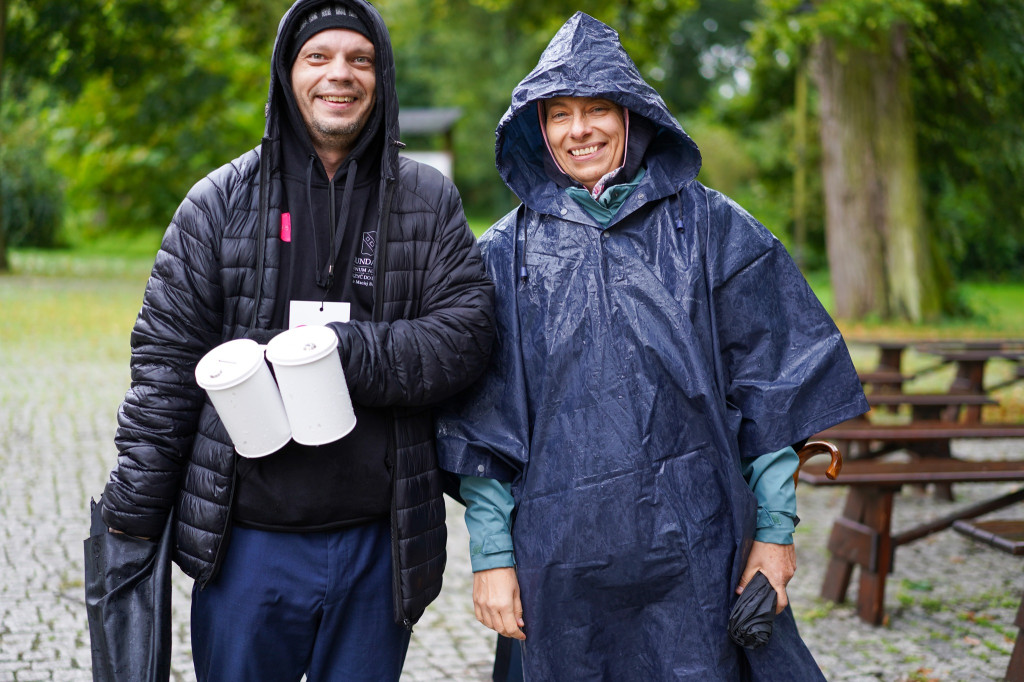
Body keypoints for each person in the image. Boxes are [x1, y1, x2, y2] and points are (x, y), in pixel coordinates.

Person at [436, 12, 869, 681]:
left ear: (634, 118)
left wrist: (775, 536)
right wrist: (492, 560)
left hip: (701, 552)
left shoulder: (715, 231)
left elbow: (773, 392)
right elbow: (482, 429)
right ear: (536, 129)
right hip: (559, 568)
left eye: (598, 109)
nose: (579, 130)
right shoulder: (503, 255)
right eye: (559, 115)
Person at [99, 1, 494, 680]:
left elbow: (467, 334)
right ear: (287, 73)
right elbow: (164, 365)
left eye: (359, 59)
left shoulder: (427, 201)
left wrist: (347, 352)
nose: (339, 74)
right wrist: (133, 512)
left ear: (382, 76)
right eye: (319, 57)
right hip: (248, 547)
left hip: (379, 544)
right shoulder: (217, 203)